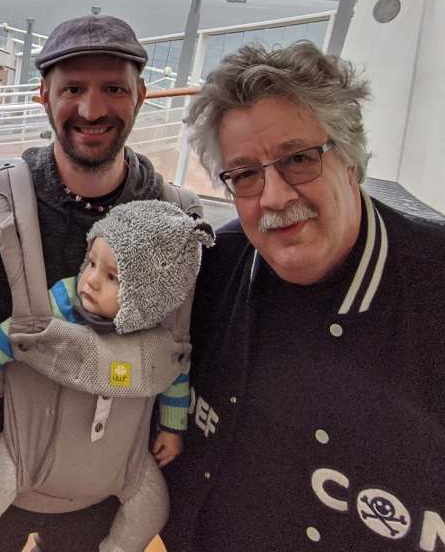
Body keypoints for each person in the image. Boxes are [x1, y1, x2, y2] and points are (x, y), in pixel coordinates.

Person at [161, 42, 445, 551]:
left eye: (298, 159)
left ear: (351, 161)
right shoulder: (213, 269)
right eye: (245, 174)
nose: (274, 196)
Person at [0, 14, 203, 550]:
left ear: (141, 96)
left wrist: (172, 425)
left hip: (106, 491)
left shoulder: (177, 227)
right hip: (0, 472)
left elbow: (183, 351)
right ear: (43, 95)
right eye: (72, 89)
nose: (91, 109)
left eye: (113, 88)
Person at [0, 201, 214, 552]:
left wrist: (171, 427)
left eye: (111, 277)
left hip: (118, 460)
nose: (89, 280)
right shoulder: (65, 299)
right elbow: (13, 334)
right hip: (30, 444)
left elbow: (173, 372)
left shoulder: (158, 339)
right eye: (91, 263)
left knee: (152, 507)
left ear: (149, 297)